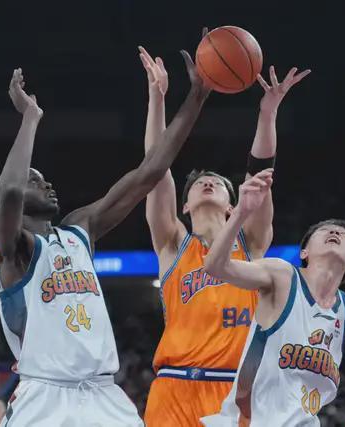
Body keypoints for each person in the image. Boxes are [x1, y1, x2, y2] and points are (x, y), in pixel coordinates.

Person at [0, 42, 209, 426]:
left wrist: (198, 95)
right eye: (37, 181)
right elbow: (11, 189)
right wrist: (31, 117)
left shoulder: (80, 229)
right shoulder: (13, 250)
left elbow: (149, 172)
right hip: (44, 398)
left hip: (104, 396)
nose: (48, 184)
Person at [138, 37, 310, 426]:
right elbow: (154, 169)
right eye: (199, 183)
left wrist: (267, 114)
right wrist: (157, 98)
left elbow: (261, 173)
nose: (208, 183)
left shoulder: (251, 244)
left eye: (218, 183)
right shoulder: (172, 244)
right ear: (184, 205)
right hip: (173, 388)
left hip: (235, 391)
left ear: (234, 206)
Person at [202, 170, 345, 426]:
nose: (335, 232)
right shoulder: (282, 275)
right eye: (325, 231)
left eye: (343, 234)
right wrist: (240, 214)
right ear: (304, 252)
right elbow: (215, 266)